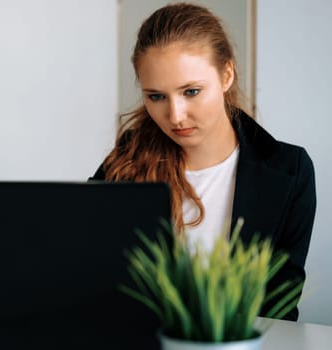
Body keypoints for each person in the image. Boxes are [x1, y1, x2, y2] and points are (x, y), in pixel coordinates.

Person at [90, 2, 316, 321]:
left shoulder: (289, 171)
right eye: (156, 96)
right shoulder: (127, 159)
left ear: (226, 75)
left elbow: (278, 307)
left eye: (191, 91)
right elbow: (85, 278)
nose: (175, 116)